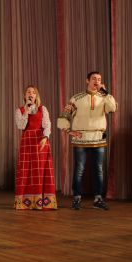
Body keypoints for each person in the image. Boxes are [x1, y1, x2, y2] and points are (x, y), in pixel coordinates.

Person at [60, 71, 117, 210]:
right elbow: (64, 115)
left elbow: (113, 108)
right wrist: (68, 130)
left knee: (98, 169)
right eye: (94, 78)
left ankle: (98, 199)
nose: (97, 81)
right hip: (81, 138)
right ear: (87, 81)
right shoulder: (77, 98)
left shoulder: (104, 98)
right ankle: (76, 198)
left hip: (98, 137)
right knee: (79, 168)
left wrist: (106, 93)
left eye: (99, 79)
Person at [14, 85, 57, 210]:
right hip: (27, 142)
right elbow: (21, 126)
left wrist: (45, 137)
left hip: (40, 141)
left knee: (40, 171)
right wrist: (26, 111)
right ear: (25, 96)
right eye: (28, 92)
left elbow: (47, 125)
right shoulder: (20, 110)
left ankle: (41, 201)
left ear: (36, 96)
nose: (31, 94)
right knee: (26, 170)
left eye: (33, 92)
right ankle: (25, 202)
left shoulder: (42, 109)